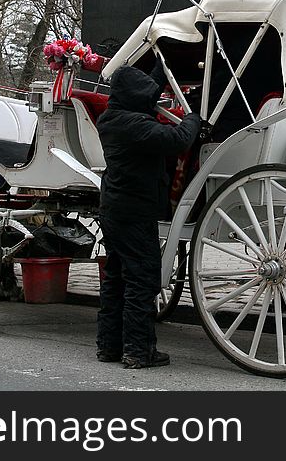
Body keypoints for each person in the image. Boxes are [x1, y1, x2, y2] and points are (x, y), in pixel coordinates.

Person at [95, 61, 201, 369]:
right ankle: (139, 351)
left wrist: (162, 61)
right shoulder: (135, 125)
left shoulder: (113, 118)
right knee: (142, 279)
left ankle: (109, 346)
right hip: (134, 211)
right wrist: (193, 119)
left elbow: (145, 92)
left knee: (115, 278)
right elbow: (178, 140)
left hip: (114, 210)